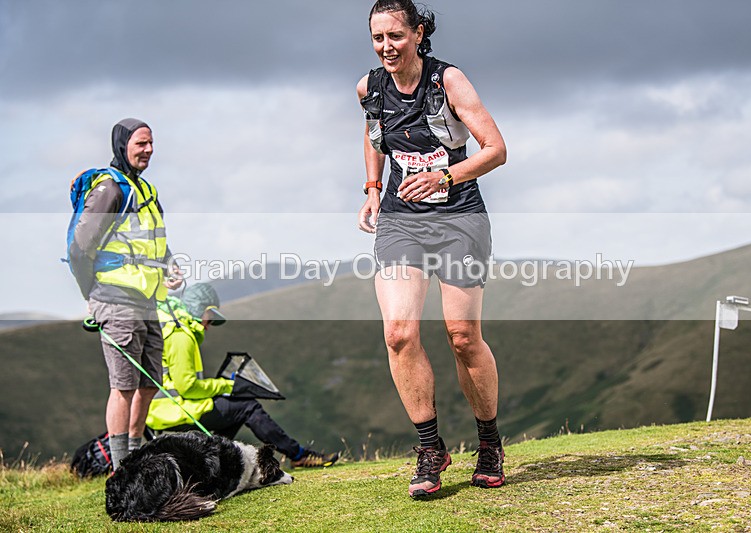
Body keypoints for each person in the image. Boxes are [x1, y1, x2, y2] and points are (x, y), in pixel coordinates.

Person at [357, 1, 507, 497]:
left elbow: (495, 149)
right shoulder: (370, 86)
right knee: (399, 333)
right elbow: (372, 134)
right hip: (402, 220)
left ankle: (488, 441)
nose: (386, 47)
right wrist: (373, 190)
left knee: (462, 336)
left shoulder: (449, 81)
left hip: (459, 215)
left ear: (419, 34)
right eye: (378, 38)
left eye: (395, 36)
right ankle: (430, 448)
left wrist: (443, 175)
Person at [69, 118, 183, 471]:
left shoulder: (146, 191)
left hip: (147, 299)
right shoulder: (110, 190)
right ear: (123, 146)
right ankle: (121, 468)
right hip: (115, 298)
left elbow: (153, 242)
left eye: (150, 143)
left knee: (149, 381)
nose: (148, 150)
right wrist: (91, 294)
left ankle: (136, 453)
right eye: (140, 144)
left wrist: (170, 265)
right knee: (123, 385)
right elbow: (79, 249)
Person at [145, 283, 339, 468]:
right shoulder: (182, 336)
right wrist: (227, 386)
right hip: (172, 410)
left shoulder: (177, 329)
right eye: (209, 316)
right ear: (198, 308)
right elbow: (187, 387)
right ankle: (299, 455)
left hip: (166, 408)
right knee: (247, 407)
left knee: (237, 409)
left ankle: (211, 462)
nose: (209, 324)